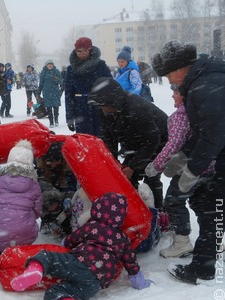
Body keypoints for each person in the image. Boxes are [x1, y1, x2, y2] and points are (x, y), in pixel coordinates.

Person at [151, 39, 225, 285]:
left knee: (211, 210)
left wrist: (191, 170)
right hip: (217, 157)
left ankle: (203, 267)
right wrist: (182, 159)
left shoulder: (205, 85)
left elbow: (213, 135)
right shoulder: (203, 80)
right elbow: (200, 132)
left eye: (170, 75)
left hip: (219, 158)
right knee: (209, 209)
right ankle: (204, 264)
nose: (170, 82)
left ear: (182, 66)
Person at [10, 192, 153, 299]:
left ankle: (35, 271)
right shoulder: (123, 239)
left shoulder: (93, 226)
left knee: (47, 256)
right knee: (61, 292)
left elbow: (72, 239)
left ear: (97, 209)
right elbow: (131, 264)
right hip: (97, 281)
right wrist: (139, 282)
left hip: (80, 263)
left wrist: (65, 242)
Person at [144, 83, 215, 258]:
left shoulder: (182, 116)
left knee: (173, 201)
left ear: (185, 96)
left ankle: (181, 243)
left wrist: (156, 165)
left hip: (190, 168)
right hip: (209, 165)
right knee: (203, 202)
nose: (172, 96)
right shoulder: (203, 111)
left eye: (176, 92)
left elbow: (174, 145)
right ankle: (216, 238)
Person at [89, 77, 168, 209]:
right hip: (136, 143)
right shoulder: (105, 109)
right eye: (100, 105)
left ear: (113, 101)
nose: (102, 109)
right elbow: (109, 138)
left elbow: (152, 140)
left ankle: (159, 213)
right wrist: (112, 162)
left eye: (104, 105)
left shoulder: (136, 108)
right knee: (125, 178)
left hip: (160, 141)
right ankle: (134, 210)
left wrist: (133, 166)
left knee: (151, 178)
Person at [65, 37, 112, 136]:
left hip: (99, 107)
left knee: (100, 140)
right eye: (78, 51)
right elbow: (69, 94)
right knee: (84, 140)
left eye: (84, 50)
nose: (81, 53)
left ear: (90, 50)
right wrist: (69, 117)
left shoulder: (101, 66)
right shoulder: (71, 69)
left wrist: (109, 108)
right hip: (81, 109)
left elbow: (110, 86)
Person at [38, 60, 63, 128]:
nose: (50, 65)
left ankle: (56, 120)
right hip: (46, 92)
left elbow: (61, 81)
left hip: (55, 92)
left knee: (56, 107)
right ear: (46, 65)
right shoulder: (43, 72)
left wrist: (57, 79)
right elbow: (41, 83)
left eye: (51, 64)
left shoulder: (56, 71)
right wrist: (38, 93)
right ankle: (51, 121)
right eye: (49, 64)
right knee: (49, 108)